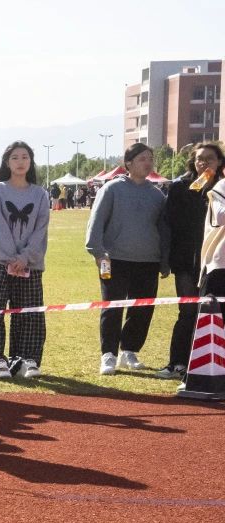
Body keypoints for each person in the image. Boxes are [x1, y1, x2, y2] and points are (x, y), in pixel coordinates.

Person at [85, 143, 170, 375]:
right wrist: (98, 251)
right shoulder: (112, 189)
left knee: (142, 310)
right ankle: (108, 355)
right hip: (113, 259)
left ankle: (129, 351)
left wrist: (164, 261)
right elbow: (96, 221)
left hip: (148, 261)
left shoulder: (157, 195)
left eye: (150, 158)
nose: (148, 163)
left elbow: (163, 230)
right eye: (142, 158)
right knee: (112, 307)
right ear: (129, 163)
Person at [0, 142, 51, 380]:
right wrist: (11, 259)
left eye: (25, 157)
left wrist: (24, 258)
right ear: (7, 162)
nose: (20, 161)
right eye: (15, 157)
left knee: (29, 314)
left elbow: (41, 230)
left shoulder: (40, 194)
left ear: (31, 161)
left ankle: (26, 360)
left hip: (30, 264)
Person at [158, 142, 223, 379]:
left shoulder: (221, 188)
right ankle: (177, 363)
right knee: (187, 311)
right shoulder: (180, 187)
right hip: (185, 259)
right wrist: (167, 259)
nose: (203, 163)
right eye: (199, 159)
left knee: (212, 312)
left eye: (209, 159)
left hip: (215, 261)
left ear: (219, 162)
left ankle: (208, 365)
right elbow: (169, 223)